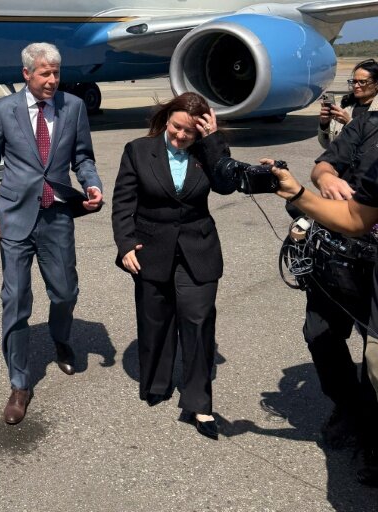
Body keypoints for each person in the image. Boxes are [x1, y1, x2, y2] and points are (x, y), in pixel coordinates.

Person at [0, 42, 103, 425]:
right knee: (15, 300)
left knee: (65, 292)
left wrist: (92, 183)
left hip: (57, 216)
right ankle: (19, 383)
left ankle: (61, 338)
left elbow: (83, 156)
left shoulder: (73, 107)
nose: (52, 80)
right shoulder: (3, 110)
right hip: (14, 217)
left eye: (56, 73)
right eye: (45, 73)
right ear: (27, 73)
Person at [111, 93, 236, 440]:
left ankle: (199, 403)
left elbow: (226, 186)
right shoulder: (138, 150)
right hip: (151, 248)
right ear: (167, 119)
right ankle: (157, 382)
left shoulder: (207, 151)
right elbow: (123, 202)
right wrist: (125, 244)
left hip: (198, 249)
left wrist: (212, 141)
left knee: (198, 322)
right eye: (176, 127)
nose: (181, 136)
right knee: (155, 320)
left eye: (189, 132)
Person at [271, 152, 378, 487]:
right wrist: (316, 183)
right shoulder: (364, 128)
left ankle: (371, 440)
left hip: (370, 266)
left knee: (372, 355)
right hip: (339, 257)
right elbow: (351, 210)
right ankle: (351, 410)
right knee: (322, 336)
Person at [318, 59, 378, 148]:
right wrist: (324, 124)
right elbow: (326, 145)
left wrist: (349, 123)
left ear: (377, 84)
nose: (356, 86)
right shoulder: (343, 106)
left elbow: (372, 146)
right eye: (354, 81)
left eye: (362, 82)